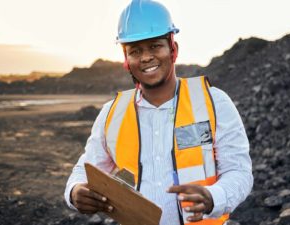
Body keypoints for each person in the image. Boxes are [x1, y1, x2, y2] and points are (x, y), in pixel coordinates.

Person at [64, 0, 253, 224]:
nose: (146, 57)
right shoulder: (111, 114)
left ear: (173, 49)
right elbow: (86, 167)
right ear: (126, 60)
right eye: (135, 51)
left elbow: (239, 171)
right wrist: (75, 191)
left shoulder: (213, 102)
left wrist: (214, 197)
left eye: (155, 46)